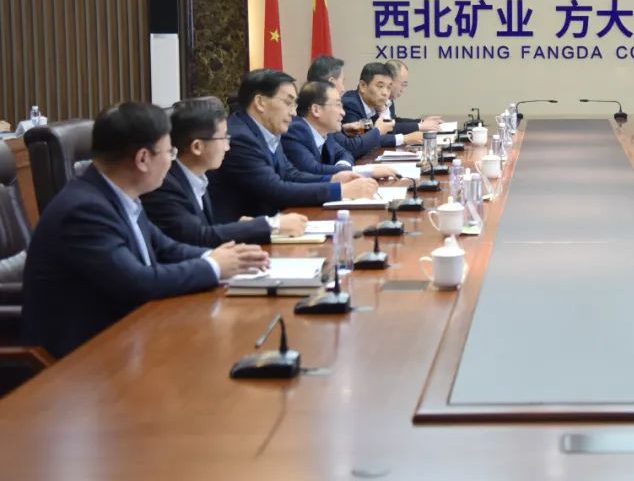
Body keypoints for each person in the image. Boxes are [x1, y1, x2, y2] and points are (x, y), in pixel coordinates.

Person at [21, 102, 269, 358]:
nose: (172, 161)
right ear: (142, 159)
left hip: (129, 333)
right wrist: (214, 267)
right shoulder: (85, 210)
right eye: (170, 151)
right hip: (84, 356)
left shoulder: (119, 193)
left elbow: (165, 248)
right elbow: (137, 282)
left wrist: (222, 258)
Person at [208, 69, 378, 222]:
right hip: (241, 235)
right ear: (260, 102)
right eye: (287, 103)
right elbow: (275, 190)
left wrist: (334, 178)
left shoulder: (267, 130)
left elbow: (290, 174)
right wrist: (341, 190)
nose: (293, 112)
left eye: (294, 104)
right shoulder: (240, 138)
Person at [142, 97, 307, 247]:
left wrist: (242, 226)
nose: (227, 147)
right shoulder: (165, 185)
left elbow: (208, 228)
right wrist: (271, 224)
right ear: (197, 147)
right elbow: (197, 237)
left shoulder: (199, 176)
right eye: (223, 139)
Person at [282, 81, 400, 178]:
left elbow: (344, 153)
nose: (343, 113)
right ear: (316, 110)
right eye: (338, 105)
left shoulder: (326, 131)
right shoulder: (294, 131)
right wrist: (366, 172)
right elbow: (313, 170)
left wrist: (342, 168)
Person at [306, 55, 382, 159]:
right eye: (342, 81)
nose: (343, 89)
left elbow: (343, 152)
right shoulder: (315, 116)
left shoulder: (320, 110)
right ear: (331, 83)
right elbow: (350, 148)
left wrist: (343, 130)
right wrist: (378, 131)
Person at [342, 62, 424, 148]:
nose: (385, 93)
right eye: (380, 86)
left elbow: (387, 132)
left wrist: (383, 112)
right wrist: (405, 139)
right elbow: (361, 142)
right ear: (363, 86)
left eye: (389, 87)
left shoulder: (376, 105)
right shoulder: (350, 105)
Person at [384, 59, 442, 134]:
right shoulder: (378, 100)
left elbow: (395, 121)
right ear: (390, 80)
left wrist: (422, 122)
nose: (403, 90)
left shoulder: (389, 100)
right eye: (403, 84)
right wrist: (419, 126)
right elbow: (389, 128)